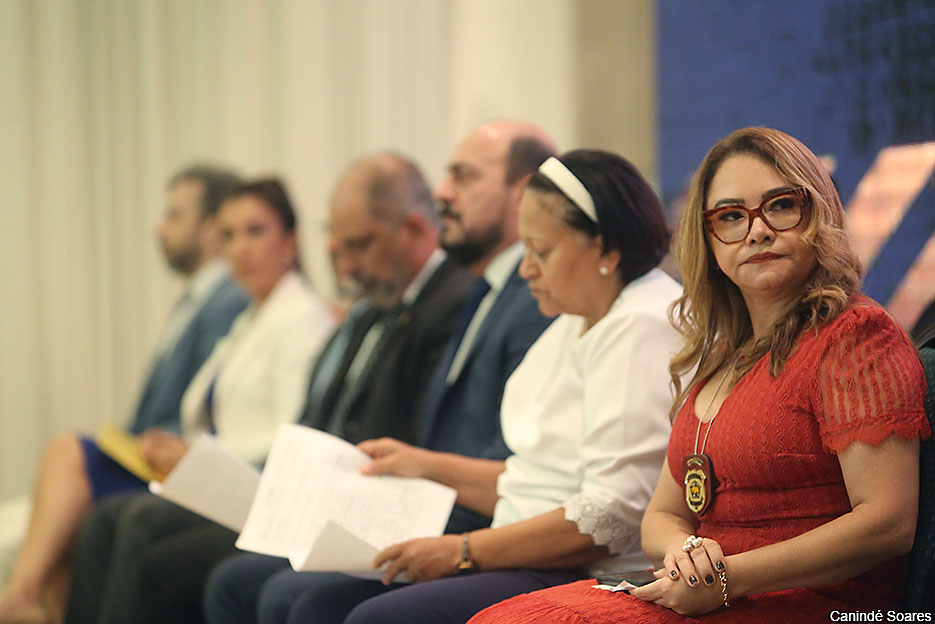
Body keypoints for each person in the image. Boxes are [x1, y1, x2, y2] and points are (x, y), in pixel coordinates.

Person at [467, 127, 930, 624]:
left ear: (818, 214)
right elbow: (663, 516)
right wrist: (687, 557)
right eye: (730, 216)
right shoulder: (722, 354)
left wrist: (726, 577)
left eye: (780, 206)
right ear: (706, 239)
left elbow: (887, 524)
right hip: (709, 597)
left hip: (818, 606)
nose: (757, 231)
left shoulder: (855, 336)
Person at [234, 148, 682, 624]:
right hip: (535, 550)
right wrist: (424, 466)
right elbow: (537, 480)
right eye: (525, 250)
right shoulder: (580, 313)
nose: (526, 269)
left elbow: (610, 517)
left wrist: (463, 550)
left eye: (541, 252)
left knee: (374, 618)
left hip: (588, 570)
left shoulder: (639, 324)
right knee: (315, 604)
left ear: (604, 249)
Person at [61, 153, 474, 624]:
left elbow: (386, 430)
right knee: (114, 519)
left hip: (351, 498)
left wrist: (210, 460)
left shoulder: (410, 306)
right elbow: (316, 420)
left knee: (159, 546)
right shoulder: (365, 308)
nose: (348, 266)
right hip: (302, 488)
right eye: (229, 235)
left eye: (357, 245)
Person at [204, 120, 559, 624]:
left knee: (296, 598)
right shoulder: (481, 292)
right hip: (435, 506)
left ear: (521, 192)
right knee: (241, 578)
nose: (442, 193)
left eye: (463, 176)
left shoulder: (526, 300)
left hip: (481, 522)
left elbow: (521, 460)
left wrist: (427, 498)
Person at [0, 165, 250, 623]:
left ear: (209, 228)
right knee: (54, 528)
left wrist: (150, 445)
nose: (159, 227)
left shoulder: (228, 300)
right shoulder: (196, 301)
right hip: (155, 452)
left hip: (175, 460)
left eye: (174, 215)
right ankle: (28, 598)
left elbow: (206, 412)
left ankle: (19, 594)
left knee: (67, 453)